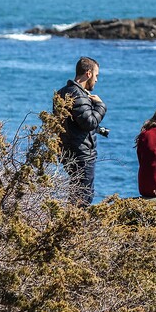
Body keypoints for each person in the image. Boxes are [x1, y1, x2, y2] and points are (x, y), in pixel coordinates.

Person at [55, 56, 107, 206]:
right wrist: (101, 106)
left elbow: (73, 122)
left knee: (77, 192)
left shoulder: (62, 92)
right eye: (96, 75)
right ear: (88, 74)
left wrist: (100, 129)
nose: (97, 80)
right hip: (82, 154)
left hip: (68, 150)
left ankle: (70, 224)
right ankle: (75, 226)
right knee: (84, 197)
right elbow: (89, 122)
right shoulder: (79, 94)